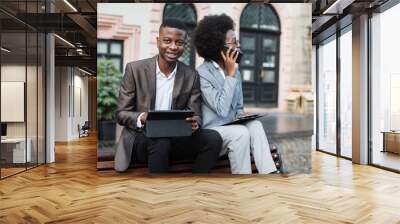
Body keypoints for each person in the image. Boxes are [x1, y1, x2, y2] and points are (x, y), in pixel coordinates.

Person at [114, 19, 222, 173]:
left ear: (184, 45)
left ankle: (196, 184)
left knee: (213, 138)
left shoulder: (191, 75)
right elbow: (121, 114)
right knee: (160, 142)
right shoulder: (135, 69)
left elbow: (196, 114)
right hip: (141, 138)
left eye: (179, 42)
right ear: (158, 41)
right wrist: (142, 117)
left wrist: (195, 123)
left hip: (176, 137)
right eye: (167, 41)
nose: (173, 47)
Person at [193, 14, 277, 174]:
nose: (239, 46)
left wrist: (242, 116)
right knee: (241, 132)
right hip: (213, 133)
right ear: (220, 47)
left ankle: (270, 174)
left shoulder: (234, 72)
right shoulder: (202, 74)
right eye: (234, 42)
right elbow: (221, 109)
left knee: (255, 125)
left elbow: (238, 107)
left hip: (232, 126)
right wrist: (230, 76)